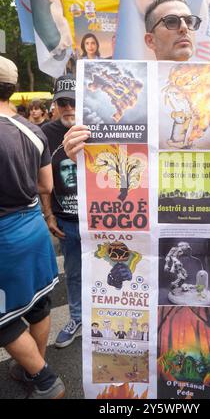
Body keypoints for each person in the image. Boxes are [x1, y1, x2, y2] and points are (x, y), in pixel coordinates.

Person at [63, 0, 210, 399]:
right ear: (150, 39)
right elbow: (99, 164)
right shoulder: (114, 93)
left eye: (190, 21)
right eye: (172, 21)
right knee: (144, 319)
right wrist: (76, 146)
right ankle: (152, 389)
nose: (184, 28)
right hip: (137, 232)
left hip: (209, 230)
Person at [0, 56, 64, 399]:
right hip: (32, 228)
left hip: (4, 237)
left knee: (2, 318)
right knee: (38, 304)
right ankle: (31, 366)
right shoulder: (33, 129)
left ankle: (43, 378)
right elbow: (46, 186)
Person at [40, 74, 82, 348]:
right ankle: (77, 317)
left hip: (102, 221)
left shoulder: (101, 127)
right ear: (55, 104)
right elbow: (42, 181)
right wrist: (49, 215)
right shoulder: (44, 133)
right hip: (67, 219)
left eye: (73, 101)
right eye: (62, 102)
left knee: (113, 270)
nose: (68, 107)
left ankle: (107, 320)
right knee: (75, 272)